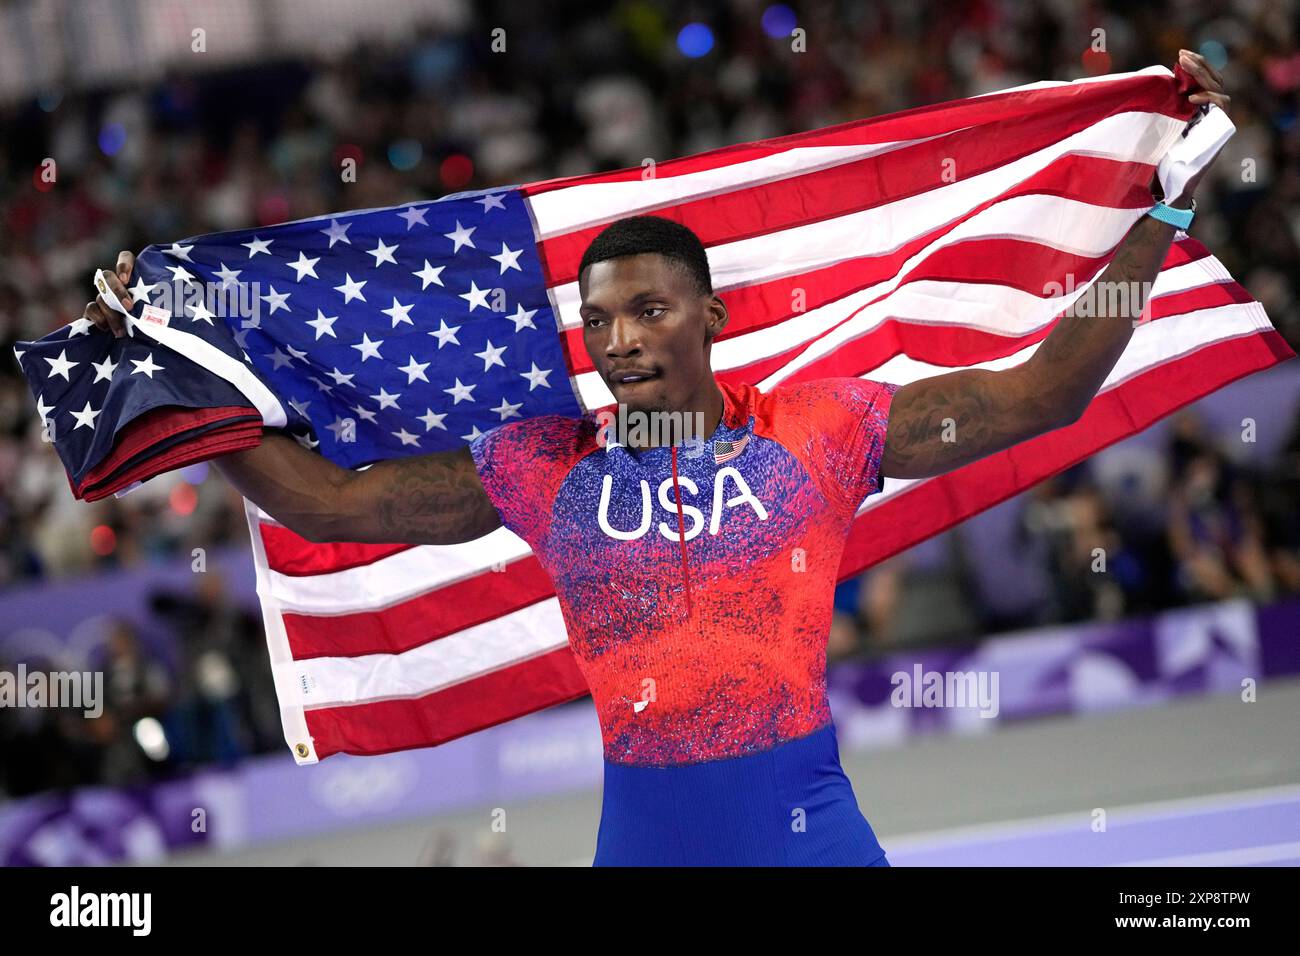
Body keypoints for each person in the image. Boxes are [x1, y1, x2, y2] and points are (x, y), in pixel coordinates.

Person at [79, 53, 1233, 865]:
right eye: (601, 318)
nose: (621, 338)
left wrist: (1164, 217)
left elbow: (1045, 388)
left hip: (808, 834)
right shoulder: (542, 465)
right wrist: (170, 379)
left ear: (708, 315)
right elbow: (327, 505)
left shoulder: (820, 431)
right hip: (643, 840)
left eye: (648, 309)